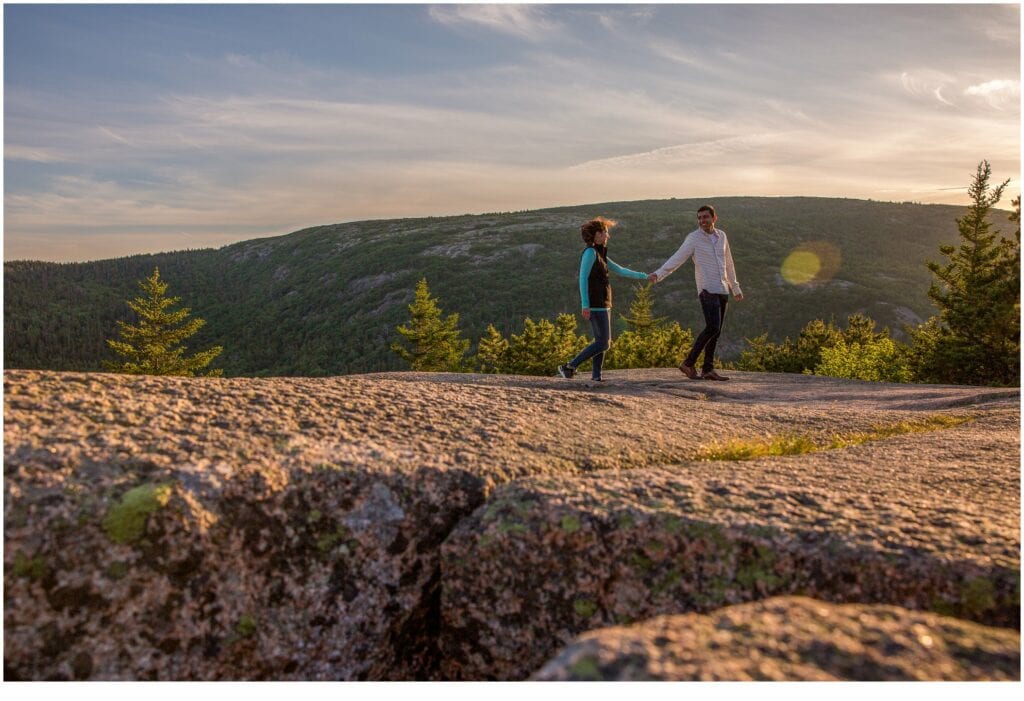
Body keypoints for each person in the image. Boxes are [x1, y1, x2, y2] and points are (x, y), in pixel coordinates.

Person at [648, 204, 744, 381]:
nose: (702, 221)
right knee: (712, 327)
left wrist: (735, 287)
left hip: (722, 289)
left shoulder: (722, 236)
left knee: (717, 331)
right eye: (699, 218)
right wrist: (659, 274)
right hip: (707, 289)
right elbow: (677, 258)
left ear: (714, 218)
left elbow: (729, 263)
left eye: (705, 217)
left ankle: (708, 369)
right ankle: (688, 363)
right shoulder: (693, 238)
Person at [558, 217, 648, 382]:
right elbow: (583, 279)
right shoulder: (590, 253)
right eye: (605, 232)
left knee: (601, 342)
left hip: (604, 304)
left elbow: (620, 270)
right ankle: (569, 366)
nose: (608, 236)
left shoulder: (600, 253)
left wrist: (645, 276)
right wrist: (585, 305)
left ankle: (596, 377)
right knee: (604, 343)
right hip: (594, 305)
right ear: (597, 235)